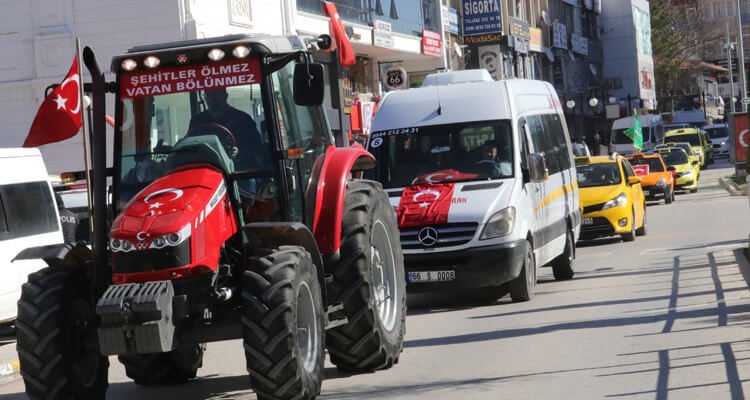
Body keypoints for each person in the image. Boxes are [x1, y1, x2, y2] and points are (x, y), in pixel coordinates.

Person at [189, 87, 265, 170]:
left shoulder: (243, 119)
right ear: (205, 98)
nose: (213, 98)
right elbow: (190, 144)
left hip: (239, 168)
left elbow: (257, 147)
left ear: (225, 96)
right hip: (207, 167)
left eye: (217, 94)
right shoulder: (197, 121)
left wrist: (239, 153)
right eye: (209, 95)